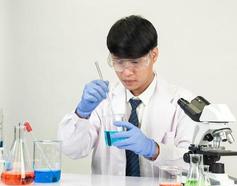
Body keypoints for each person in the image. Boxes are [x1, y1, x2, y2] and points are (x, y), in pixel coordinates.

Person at [58, 15, 196, 177]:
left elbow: (193, 164)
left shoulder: (183, 102)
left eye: (135, 62)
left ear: (154, 55)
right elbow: (72, 150)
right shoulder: (103, 100)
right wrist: (81, 113)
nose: (126, 72)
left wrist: (154, 149)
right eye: (119, 62)